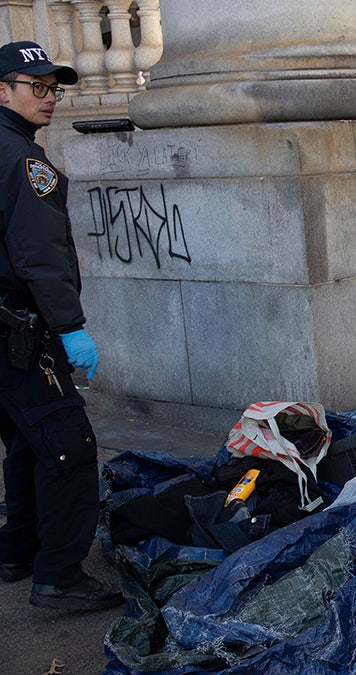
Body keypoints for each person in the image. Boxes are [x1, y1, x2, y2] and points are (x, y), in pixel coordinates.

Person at [0, 40, 120, 610]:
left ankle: (17, 550)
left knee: (26, 442)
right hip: (21, 331)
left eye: (54, 88)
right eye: (37, 87)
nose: (50, 98)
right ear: (2, 90)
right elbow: (39, 254)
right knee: (68, 446)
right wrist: (70, 326)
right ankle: (60, 576)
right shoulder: (24, 161)